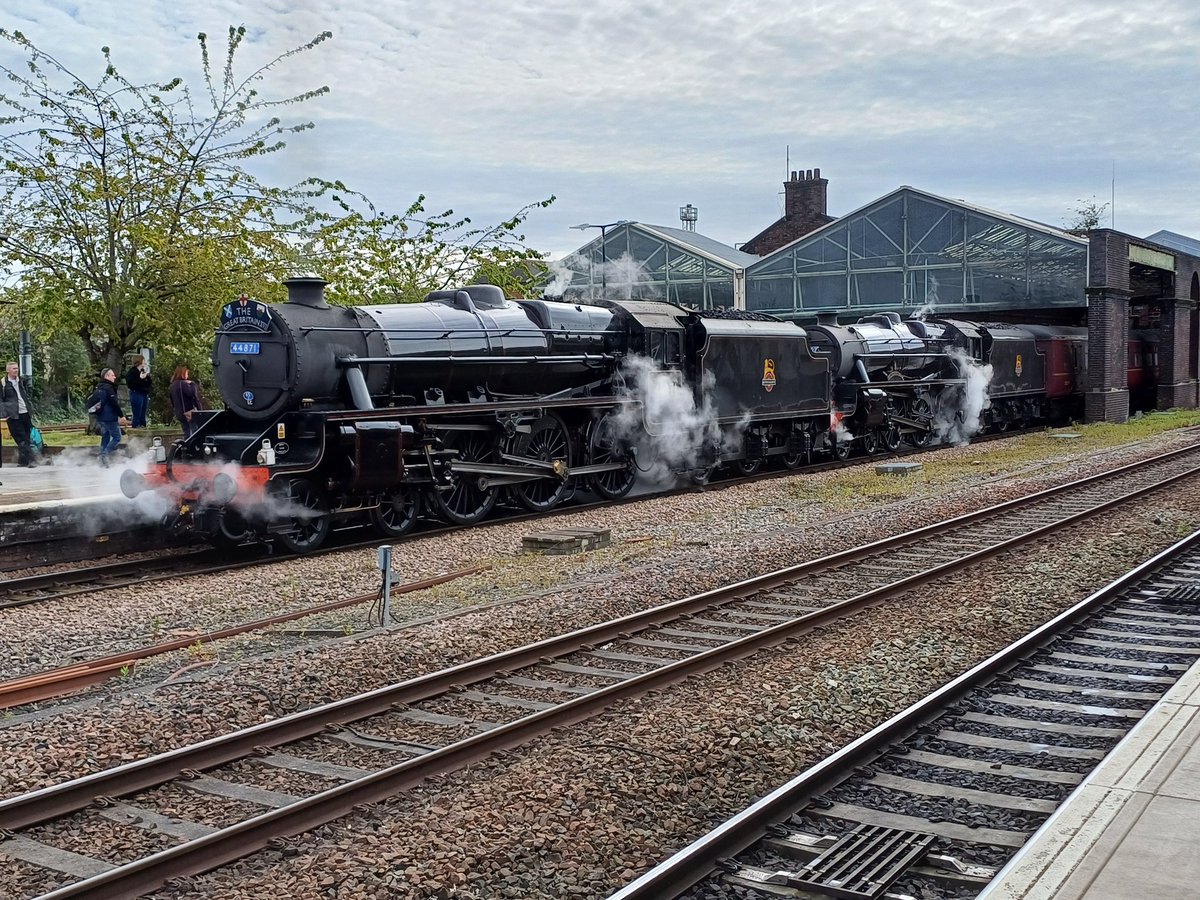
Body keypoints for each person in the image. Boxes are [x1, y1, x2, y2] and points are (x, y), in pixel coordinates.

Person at [89, 368, 130, 466]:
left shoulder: (99, 387)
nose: (114, 377)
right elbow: (114, 403)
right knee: (117, 437)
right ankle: (105, 454)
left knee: (105, 436)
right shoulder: (109, 388)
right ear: (106, 376)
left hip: (101, 417)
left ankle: (101, 459)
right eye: (112, 375)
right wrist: (121, 415)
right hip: (109, 417)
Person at [2, 361, 36, 468]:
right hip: (13, 415)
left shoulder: (22, 381)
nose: (16, 370)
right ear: (8, 370)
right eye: (13, 369)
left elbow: (27, 395)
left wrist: (30, 408)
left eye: (17, 368)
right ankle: (31, 460)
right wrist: (4, 413)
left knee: (26, 438)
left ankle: (24, 460)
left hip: (25, 413)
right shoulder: (3, 383)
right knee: (20, 438)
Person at [169, 365, 204, 438]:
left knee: (186, 432)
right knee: (194, 432)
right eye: (187, 373)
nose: (188, 376)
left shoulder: (172, 385)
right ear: (183, 373)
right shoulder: (183, 384)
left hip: (179, 412)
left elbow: (172, 400)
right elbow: (191, 393)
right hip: (188, 412)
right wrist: (192, 384)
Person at [125, 355, 152, 429]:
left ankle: (143, 426)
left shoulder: (143, 371)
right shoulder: (132, 372)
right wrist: (140, 378)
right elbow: (131, 384)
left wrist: (147, 377)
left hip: (144, 393)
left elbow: (149, 383)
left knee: (143, 412)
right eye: (143, 361)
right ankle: (136, 427)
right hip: (136, 393)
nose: (145, 362)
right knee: (137, 412)